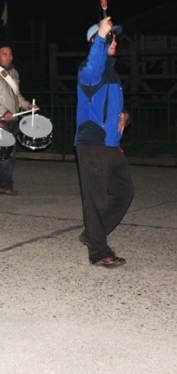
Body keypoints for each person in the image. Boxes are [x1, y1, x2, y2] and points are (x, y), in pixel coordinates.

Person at [75, 17, 134, 268]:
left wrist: (126, 117)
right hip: (93, 144)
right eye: (110, 37)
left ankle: (92, 234)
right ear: (95, 42)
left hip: (111, 144)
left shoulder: (111, 73)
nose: (114, 40)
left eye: (114, 37)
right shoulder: (89, 71)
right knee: (95, 200)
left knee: (124, 192)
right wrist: (101, 35)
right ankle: (99, 252)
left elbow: (113, 109)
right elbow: (92, 65)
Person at [0, 45, 36, 196]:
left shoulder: (14, 73)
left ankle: (6, 184)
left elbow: (17, 96)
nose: (8, 56)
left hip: (14, 118)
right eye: (4, 54)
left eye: (10, 54)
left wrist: (28, 105)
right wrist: (4, 111)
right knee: (3, 153)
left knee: (10, 154)